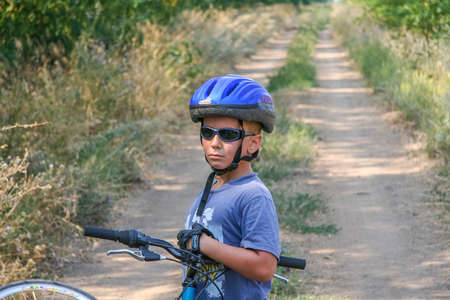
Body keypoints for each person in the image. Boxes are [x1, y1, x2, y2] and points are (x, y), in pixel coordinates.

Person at [177, 74, 280, 299]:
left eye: (228, 134)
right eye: (207, 133)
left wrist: (204, 244)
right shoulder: (209, 191)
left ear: (253, 143)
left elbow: (264, 267)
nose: (215, 143)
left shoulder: (253, 195)